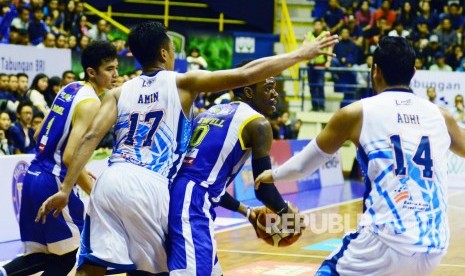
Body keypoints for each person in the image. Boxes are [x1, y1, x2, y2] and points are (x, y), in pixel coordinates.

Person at [35, 21, 338, 275]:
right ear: (165, 53)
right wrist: (301, 54)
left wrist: (66, 188)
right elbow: (247, 74)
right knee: (167, 269)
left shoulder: (118, 92)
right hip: (152, 185)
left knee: (90, 268)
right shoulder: (182, 83)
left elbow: (88, 140)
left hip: (110, 182)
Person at [255, 36, 465, 275]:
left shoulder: (357, 112)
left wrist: (273, 174)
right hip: (434, 245)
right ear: (413, 72)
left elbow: (304, 166)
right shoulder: (441, 115)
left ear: (375, 71)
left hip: (383, 243)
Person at [168, 60, 300, 275]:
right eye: (267, 88)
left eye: (274, 87)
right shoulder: (258, 124)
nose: (274, 94)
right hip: (192, 204)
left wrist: (246, 212)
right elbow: (262, 188)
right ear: (248, 91)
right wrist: (287, 214)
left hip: (181, 195)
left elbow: (205, 181)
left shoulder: (210, 112)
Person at [0, 40, 118, 276]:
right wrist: (94, 190)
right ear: (92, 72)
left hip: (33, 175)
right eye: (109, 69)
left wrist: (79, 172)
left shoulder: (70, 88)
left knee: (42, 257)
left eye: (116, 67)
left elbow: (37, 134)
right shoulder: (92, 103)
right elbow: (70, 156)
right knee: (79, 250)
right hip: (53, 182)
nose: (116, 75)